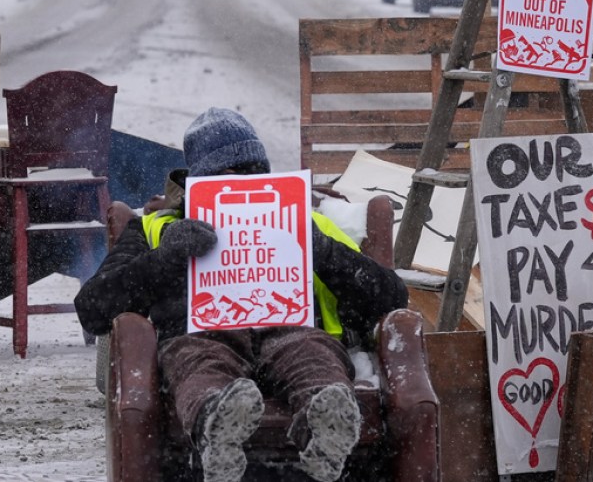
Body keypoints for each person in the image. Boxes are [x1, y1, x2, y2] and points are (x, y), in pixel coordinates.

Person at [75, 108, 409, 482]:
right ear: (196, 183)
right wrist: (166, 258)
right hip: (200, 336)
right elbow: (93, 309)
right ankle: (216, 431)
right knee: (198, 361)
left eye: (250, 172)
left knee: (313, 356)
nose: (237, 184)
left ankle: (324, 428)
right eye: (221, 176)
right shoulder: (157, 227)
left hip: (292, 330)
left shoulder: (308, 221)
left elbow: (391, 296)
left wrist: (321, 250)